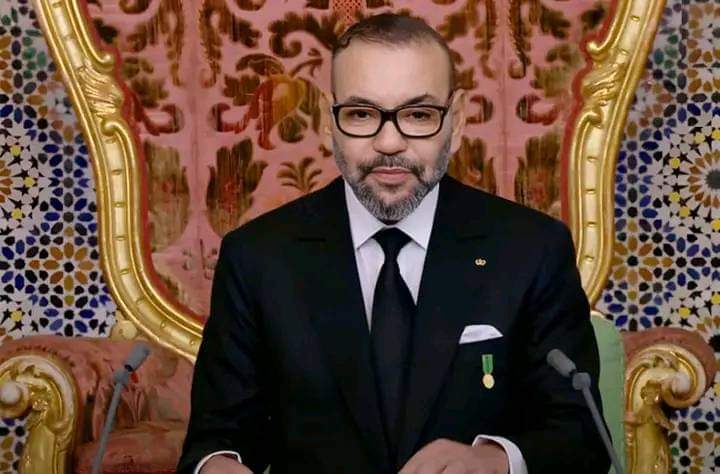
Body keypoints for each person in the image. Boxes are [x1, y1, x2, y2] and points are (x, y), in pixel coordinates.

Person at [177, 13, 611, 474]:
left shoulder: (533, 250)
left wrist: (494, 460)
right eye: (361, 114)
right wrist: (217, 465)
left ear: (458, 119)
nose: (389, 142)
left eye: (418, 115)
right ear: (327, 120)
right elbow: (214, 441)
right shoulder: (257, 258)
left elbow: (582, 436)